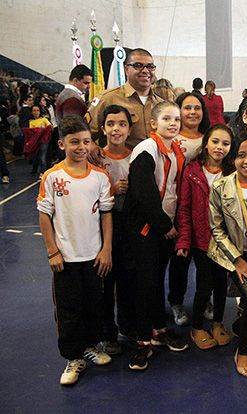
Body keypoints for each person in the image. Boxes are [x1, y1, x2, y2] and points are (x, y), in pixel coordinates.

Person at [37, 115, 114, 385]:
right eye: (74, 142)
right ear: (62, 144)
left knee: (94, 304)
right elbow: (44, 215)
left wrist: (106, 249)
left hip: (94, 256)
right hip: (66, 258)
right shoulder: (52, 177)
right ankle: (73, 357)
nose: (81, 147)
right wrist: (52, 251)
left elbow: (106, 214)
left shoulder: (100, 177)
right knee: (69, 309)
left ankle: (91, 346)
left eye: (86, 141)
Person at [124, 101, 188, 371]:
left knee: (156, 280)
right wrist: (164, 225)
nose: (173, 123)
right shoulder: (146, 149)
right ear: (153, 124)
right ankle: (142, 341)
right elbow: (144, 194)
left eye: (176, 119)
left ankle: (158, 329)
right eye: (166, 119)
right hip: (146, 229)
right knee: (145, 283)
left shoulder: (175, 149)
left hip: (163, 227)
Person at [208, 132, 247, 378]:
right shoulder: (220, 187)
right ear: (233, 158)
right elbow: (216, 229)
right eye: (241, 155)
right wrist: (237, 260)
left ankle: (242, 325)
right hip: (234, 255)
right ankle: (243, 353)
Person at [176, 124, 235, 350]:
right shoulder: (192, 171)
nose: (220, 147)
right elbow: (184, 208)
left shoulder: (232, 172)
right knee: (204, 284)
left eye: (225, 143)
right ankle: (197, 326)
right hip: (201, 241)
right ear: (206, 143)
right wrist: (184, 239)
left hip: (225, 241)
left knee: (221, 283)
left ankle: (218, 323)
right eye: (215, 142)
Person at [167, 91, 212, 326]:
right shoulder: (170, 140)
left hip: (204, 211)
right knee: (180, 260)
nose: (192, 112)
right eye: (187, 108)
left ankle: (205, 301)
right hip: (178, 209)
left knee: (206, 261)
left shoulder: (209, 139)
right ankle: (176, 302)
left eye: (197, 108)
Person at [99, 105, 137, 354]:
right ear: (103, 128)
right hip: (103, 225)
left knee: (127, 278)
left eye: (122, 124)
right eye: (111, 124)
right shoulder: (95, 158)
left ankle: (127, 325)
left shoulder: (136, 156)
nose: (116, 129)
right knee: (106, 280)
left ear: (129, 129)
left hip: (129, 224)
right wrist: (112, 190)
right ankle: (107, 332)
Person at [87, 48, 163, 148]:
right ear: (126, 69)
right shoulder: (107, 99)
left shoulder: (161, 104)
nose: (145, 71)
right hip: (119, 157)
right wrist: (93, 148)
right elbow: (85, 132)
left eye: (150, 67)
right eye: (138, 65)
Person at [27, 104, 53, 175]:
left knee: (42, 157)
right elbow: (30, 132)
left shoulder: (44, 119)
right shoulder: (31, 121)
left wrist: (44, 129)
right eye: (34, 110)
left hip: (44, 140)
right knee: (36, 156)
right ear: (31, 112)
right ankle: (35, 169)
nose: (36, 112)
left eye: (37, 110)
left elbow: (51, 127)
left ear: (40, 111)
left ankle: (42, 172)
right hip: (35, 141)